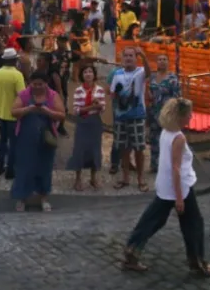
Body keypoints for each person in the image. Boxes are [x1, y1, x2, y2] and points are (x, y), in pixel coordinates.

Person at [122, 98, 210, 277]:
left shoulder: (166, 132)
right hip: (179, 189)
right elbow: (176, 167)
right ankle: (198, 263)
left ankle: (132, 250)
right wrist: (178, 198)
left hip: (165, 186)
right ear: (181, 116)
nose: (191, 116)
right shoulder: (178, 138)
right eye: (189, 114)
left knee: (152, 220)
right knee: (194, 224)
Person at [10, 71, 66, 212]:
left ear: (46, 84)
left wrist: (47, 111)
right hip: (26, 138)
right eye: (34, 84)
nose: (37, 87)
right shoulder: (24, 95)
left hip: (46, 138)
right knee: (24, 167)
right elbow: (14, 111)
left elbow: (61, 114)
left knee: (44, 167)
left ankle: (43, 197)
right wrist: (28, 109)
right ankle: (22, 197)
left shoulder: (53, 95)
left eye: (40, 84)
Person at [110, 47, 149, 191]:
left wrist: (144, 56)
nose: (128, 58)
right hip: (121, 117)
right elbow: (113, 93)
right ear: (122, 57)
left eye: (131, 55)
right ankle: (125, 177)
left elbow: (149, 73)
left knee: (139, 149)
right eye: (125, 55)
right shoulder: (117, 74)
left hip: (137, 117)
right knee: (123, 149)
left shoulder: (140, 72)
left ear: (135, 57)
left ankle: (140, 178)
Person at [67, 65, 106, 191]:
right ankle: (78, 178)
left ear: (94, 74)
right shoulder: (79, 90)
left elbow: (103, 108)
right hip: (82, 122)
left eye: (90, 72)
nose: (88, 74)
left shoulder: (99, 90)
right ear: (82, 75)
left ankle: (93, 177)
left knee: (95, 149)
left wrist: (98, 104)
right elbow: (77, 110)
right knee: (80, 149)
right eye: (85, 72)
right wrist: (91, 107)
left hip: (95, 122)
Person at [0, 46, 26, 179]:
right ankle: (11, 170)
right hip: (13, 114)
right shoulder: (17, 75)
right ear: (14, 60)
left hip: (0, 112)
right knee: (14, 143)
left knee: (2, 141)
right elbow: (22, 95)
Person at [146, 54, 181, 168]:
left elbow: (177, 96)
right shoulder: (152, 77)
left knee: (167, 139)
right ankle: (155, 164)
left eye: (164, 59)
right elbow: (147, 90)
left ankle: (167, 164)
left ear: (168, 62)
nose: (162, 61)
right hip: (153, 112)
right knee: (154, 139)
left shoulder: (172, 78)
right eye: (159, 59)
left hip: (167, 113)